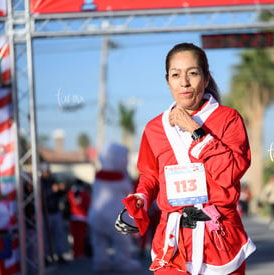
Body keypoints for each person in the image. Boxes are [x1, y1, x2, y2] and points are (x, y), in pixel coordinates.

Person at [121, 42, 256, 275]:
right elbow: (150, 175)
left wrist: (196, 132)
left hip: (219, 238)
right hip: (173, 242)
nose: (184, 82)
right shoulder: (154, 128)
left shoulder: (228, 119)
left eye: (192, 73)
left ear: (206, 78)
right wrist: (142, 196)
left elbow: (230, 173)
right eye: (176, 75)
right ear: (167, 81)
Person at [87, 142, 141, 272]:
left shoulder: (97, 177)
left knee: (99, 241)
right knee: (122, 242)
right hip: (115, 217)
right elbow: (129, 196)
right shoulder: (121, 179)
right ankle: (123, 262)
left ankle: (101, 262)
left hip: (96, 214)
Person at [40, 163, 70, 265]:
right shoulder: (40, 182)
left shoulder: (53, 180)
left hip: (56, 211)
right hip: (45, 213)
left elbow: (60, 194)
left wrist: (62, 189)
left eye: (48, 171)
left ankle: (60, 254)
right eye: (45, 171)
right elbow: (40, 196)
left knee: (59, 234)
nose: (47, 173)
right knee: (45, 236)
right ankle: (46, 256)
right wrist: (51, 191)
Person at [66, 178, 91, 259]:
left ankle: (75, 252)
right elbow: (88, 205)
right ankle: (80, 252)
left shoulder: (70, 193)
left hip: (73, 217)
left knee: (74, 236)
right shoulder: (84, 193)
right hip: (82, 217)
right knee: (81, 236)